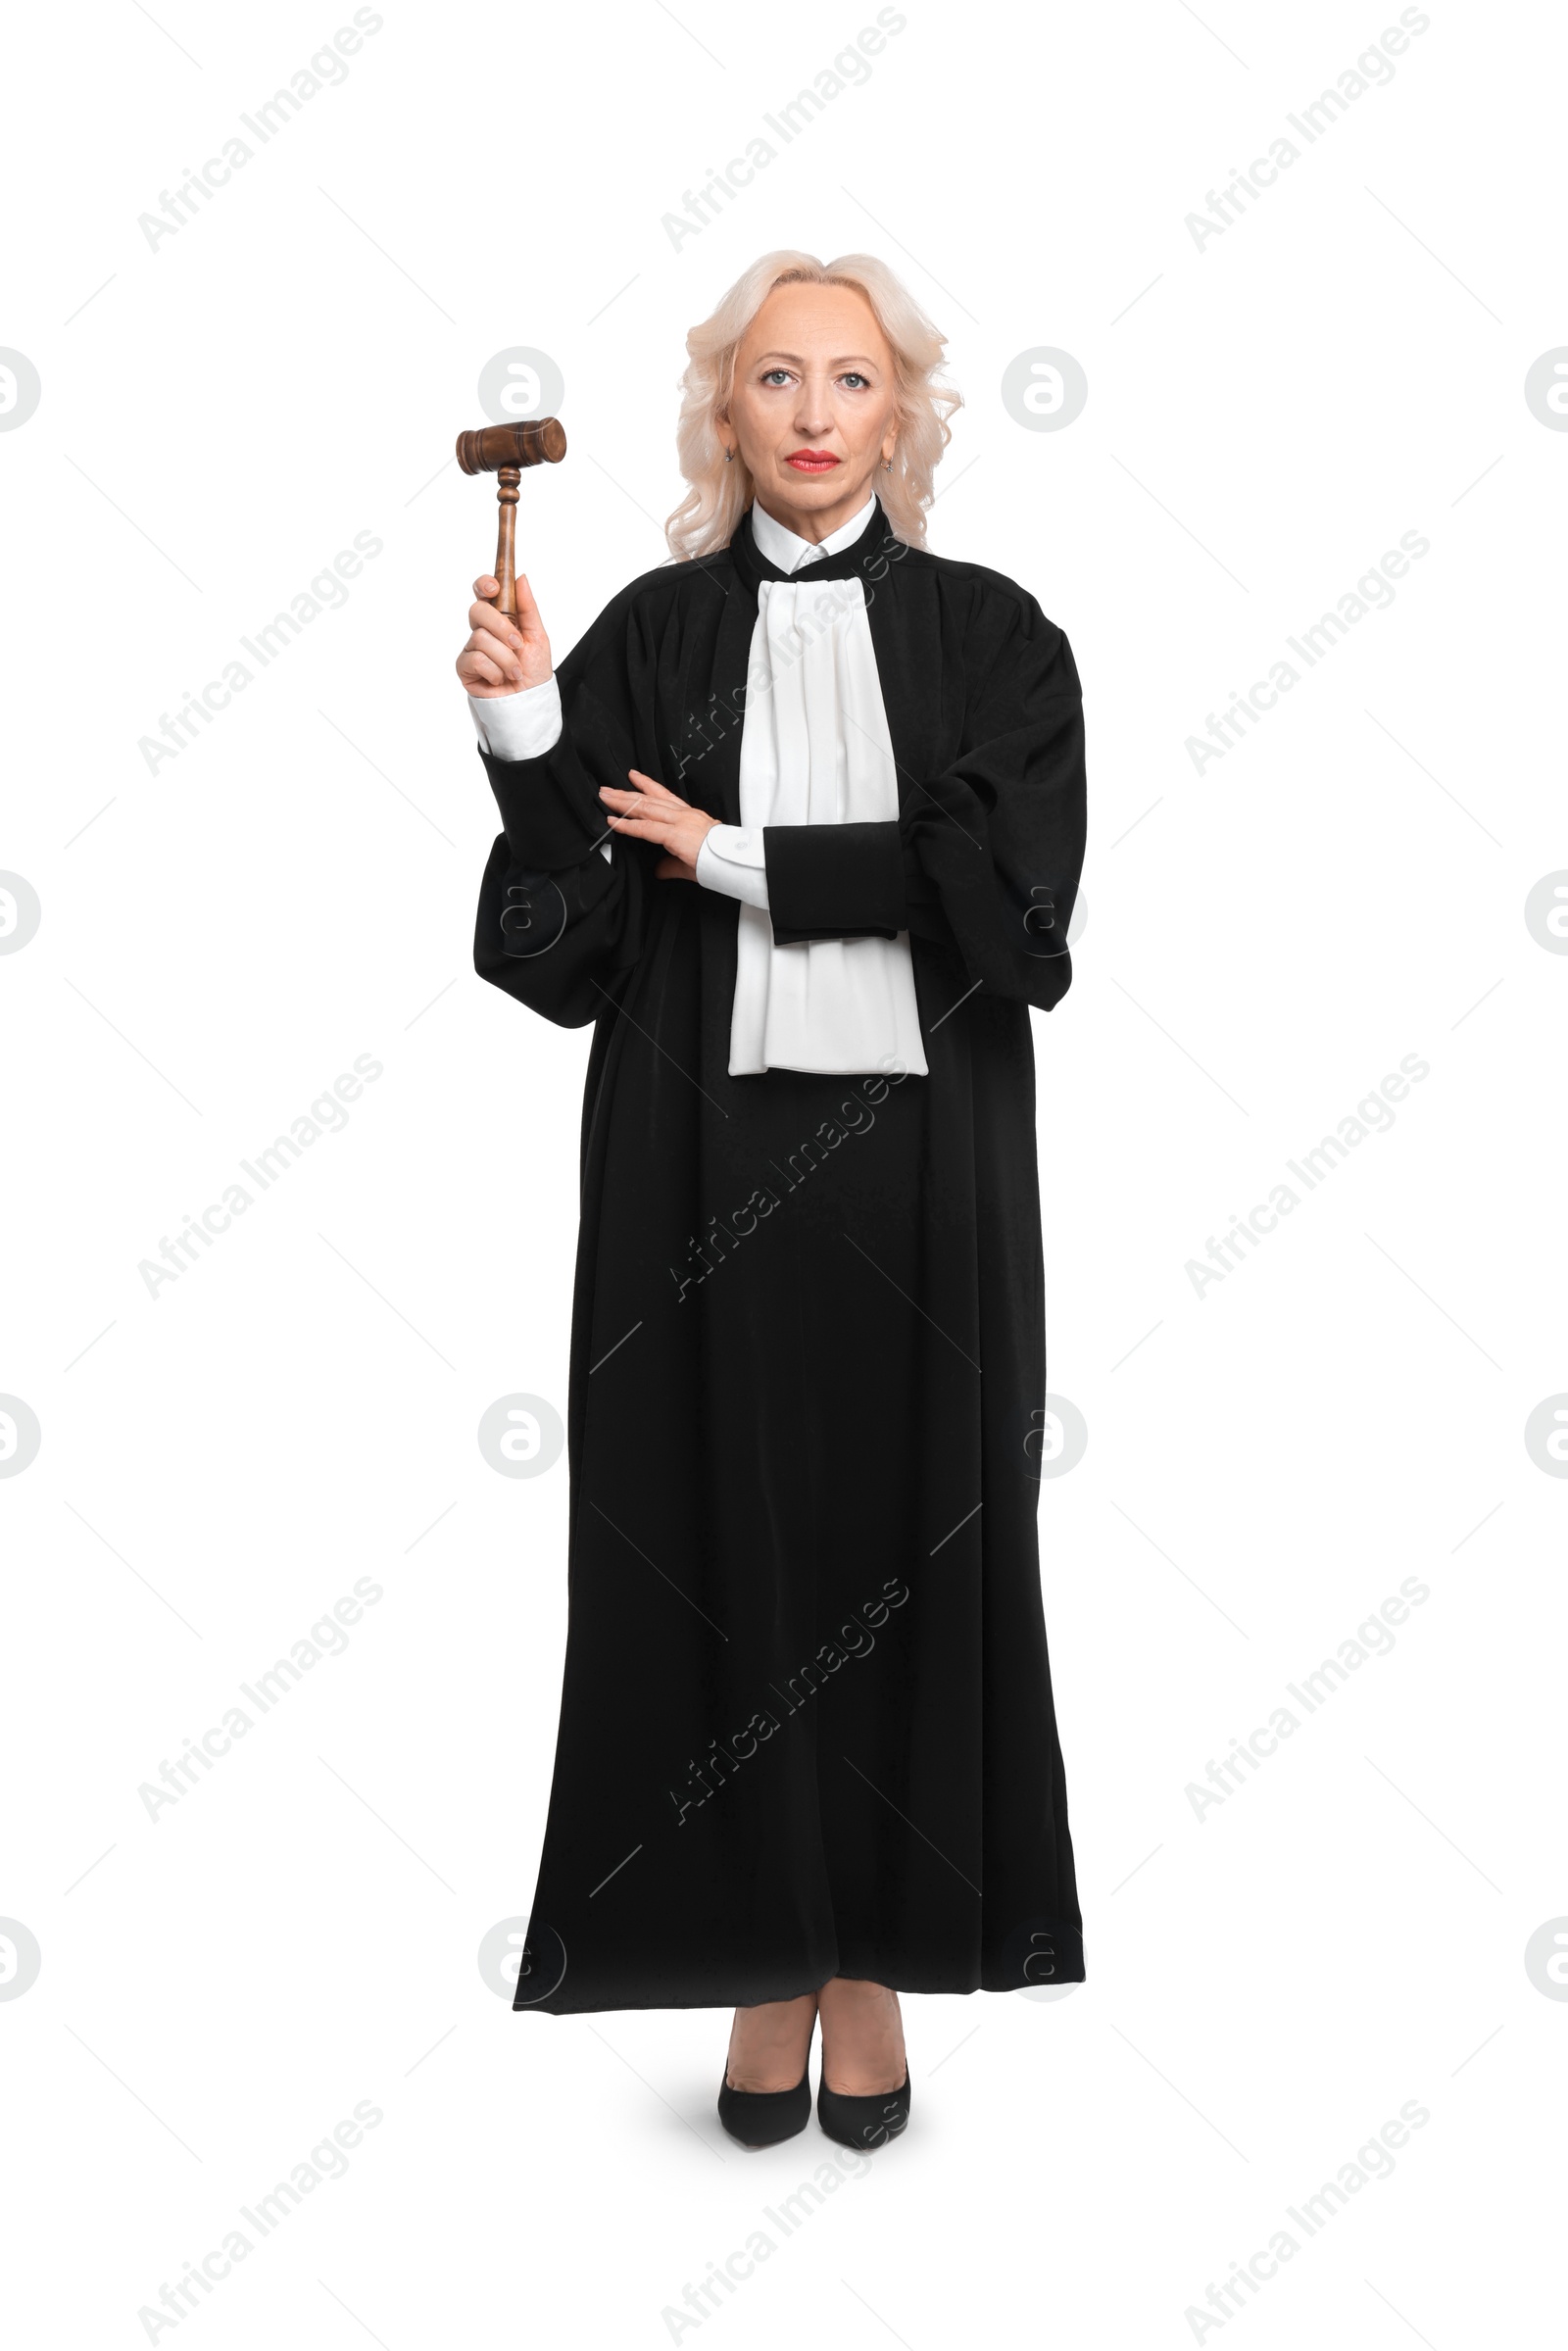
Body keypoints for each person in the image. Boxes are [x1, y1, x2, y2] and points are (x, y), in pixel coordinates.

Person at [457, 250, 1088, 2150]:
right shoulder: (650, 630)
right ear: (722, 415)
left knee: (906, 1545)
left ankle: (875, 1965)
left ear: (902, 413)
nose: (813, 414)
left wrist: (729, 850)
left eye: (850, 380)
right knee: (707, 1544)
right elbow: (571, 922)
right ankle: (757, 1960)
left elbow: (1003, 902)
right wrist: (519, 731)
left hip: (918, 1171)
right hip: (693, 1161)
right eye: (773, 381)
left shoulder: (995, 638)